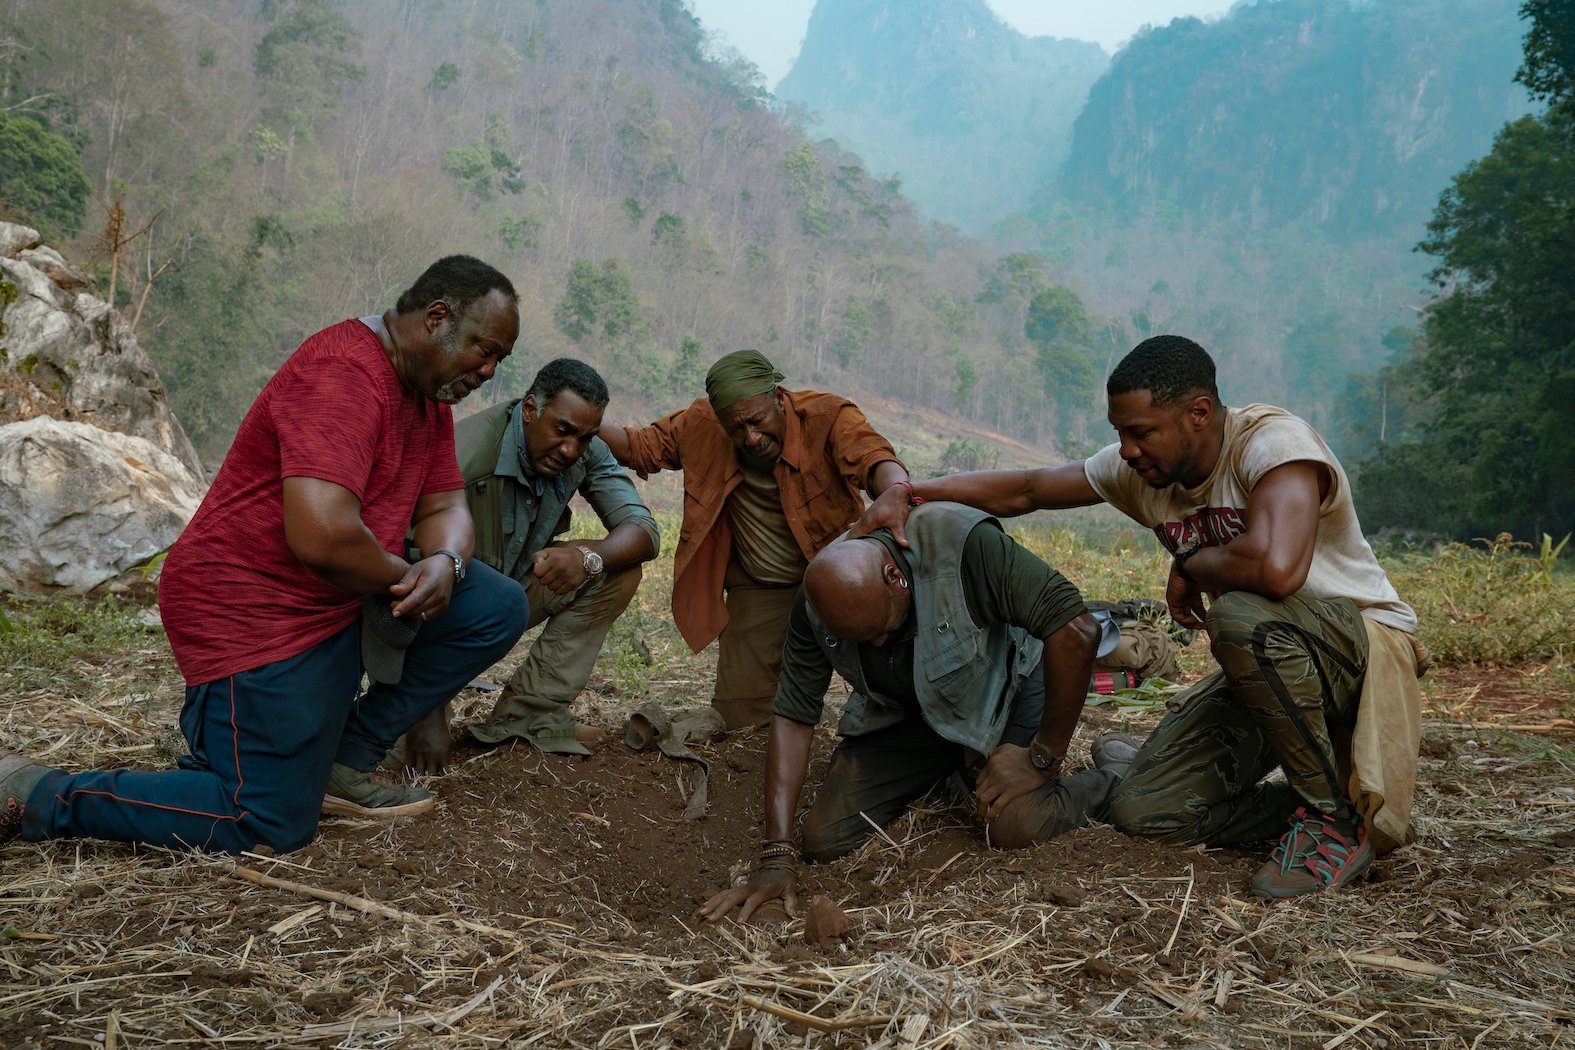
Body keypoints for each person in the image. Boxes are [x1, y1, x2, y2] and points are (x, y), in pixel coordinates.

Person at [852, 335, 1427, 899]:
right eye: (1119, 433)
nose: (1127, 449)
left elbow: (1279, 572)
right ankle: (1315, 806)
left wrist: (1194, 563)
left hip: (1360, 651)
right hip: (1272, 675)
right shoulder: (1145, 471)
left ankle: (1333, 820)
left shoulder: (1273, 445)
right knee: (1146, 811)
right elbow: (1027, 489)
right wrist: (910, 491)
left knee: (1243, 620)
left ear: (1198, 413)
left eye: (1140, 432)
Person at [0, 255, 530, 854]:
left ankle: (340, 762)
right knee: (265, 820)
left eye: (498, 360)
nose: (488, 371)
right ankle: (38, 793)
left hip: (335, 600)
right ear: (437, 319)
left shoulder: (428, 398)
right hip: (250, 608)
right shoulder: (344, 373)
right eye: (484, 350)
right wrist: (406, 574)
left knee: (494, 604)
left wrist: (446, 565)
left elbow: (445, 510)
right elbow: (322, 536)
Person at [699, 501, 1139, 923]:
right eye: (861, 642)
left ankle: (1115, 778)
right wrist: (776, 853)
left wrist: (1040, 757)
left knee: (1013, 827)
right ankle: (957, 770)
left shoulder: (963, 544)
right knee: (825, 838)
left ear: (895, 577)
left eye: (881, 632)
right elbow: (794, 714)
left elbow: (1078, 631)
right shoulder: (819, 599)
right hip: (912, 712)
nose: (876, 647)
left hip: (1009, 688)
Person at [598, 349, 910, 730]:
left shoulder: (828, 416)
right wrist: (583, 420)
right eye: (736, 429)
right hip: (762, 586)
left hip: (841, 579)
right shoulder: (702, 424)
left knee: (893, 695)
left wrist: (895, 489)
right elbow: (637, 447)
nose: (752, 437)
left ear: (778, 398)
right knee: (740, 716)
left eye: (758, 421)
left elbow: (872, 457)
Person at [393, 358, 659, 770]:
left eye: (585, 438)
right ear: (531, 409)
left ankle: (529, 714)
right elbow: (408, 583)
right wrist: (427, 709)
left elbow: (643, 529)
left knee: (616, 568)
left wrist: (589, 558)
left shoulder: (583, 451)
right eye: (563, 431)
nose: (571, 450)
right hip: (438, 613)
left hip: (508, 596)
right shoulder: (465, 456)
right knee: (394, 751)